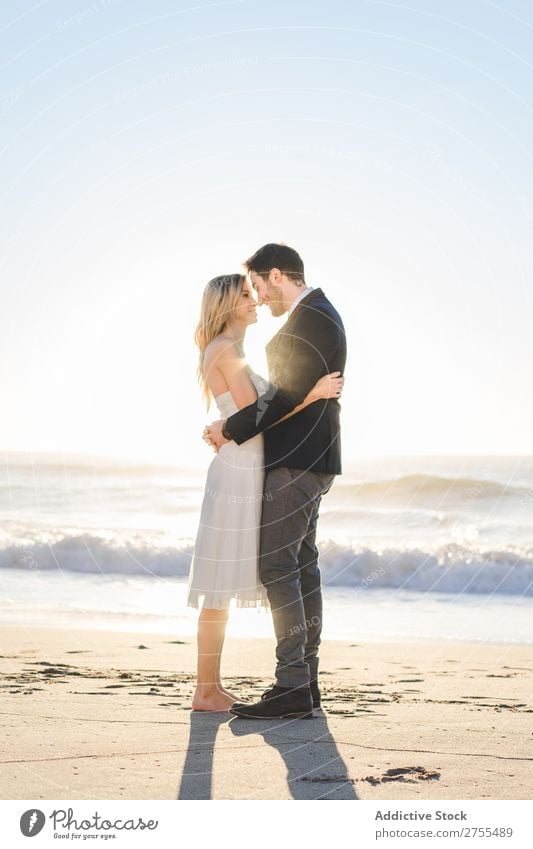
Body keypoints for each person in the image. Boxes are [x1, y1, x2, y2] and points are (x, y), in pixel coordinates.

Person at [189, 271, 343, 711]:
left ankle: (212, 686)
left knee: (229, 580)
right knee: (219, 583)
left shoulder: (230, 349)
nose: (254, 300)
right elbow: (259, 414)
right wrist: (312, 394)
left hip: (248, 464)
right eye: (245, 295)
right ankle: (205, 689)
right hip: (239, 470)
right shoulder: (224, 349)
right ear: (226, 305)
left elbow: (253, 414)